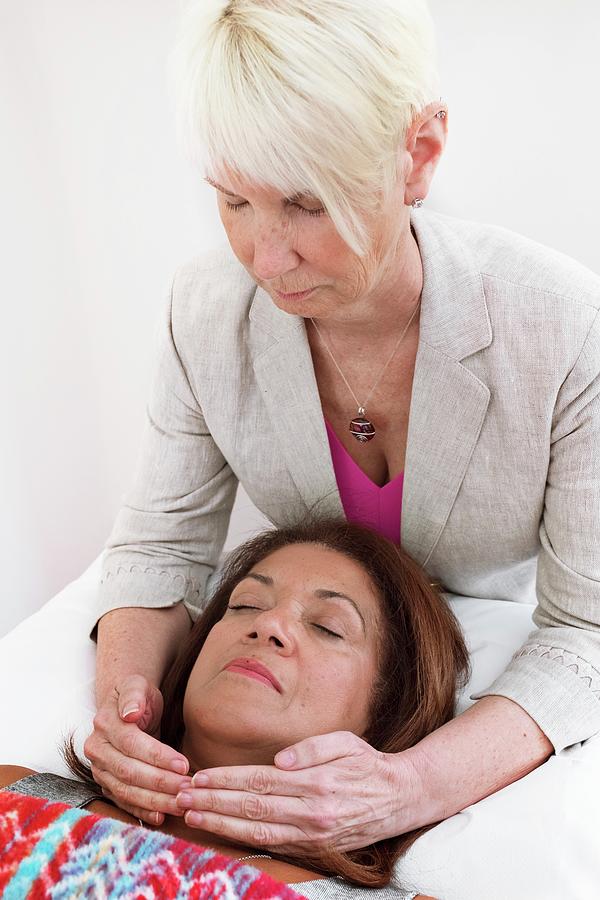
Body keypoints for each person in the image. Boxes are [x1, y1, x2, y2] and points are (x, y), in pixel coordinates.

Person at [85, 0, 600, 877]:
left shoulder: (560, 329)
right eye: (233, 200)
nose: (265, 256)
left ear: (419, 154)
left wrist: (408, 787)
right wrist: (126, 712)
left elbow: (587, 627)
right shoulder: (207, 311)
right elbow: (160, 545)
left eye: (306, 203)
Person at [1, 519, 467, 898]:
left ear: (388, 715)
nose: (269, 624)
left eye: (328, 627)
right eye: (244, 604)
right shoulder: (15, 794)